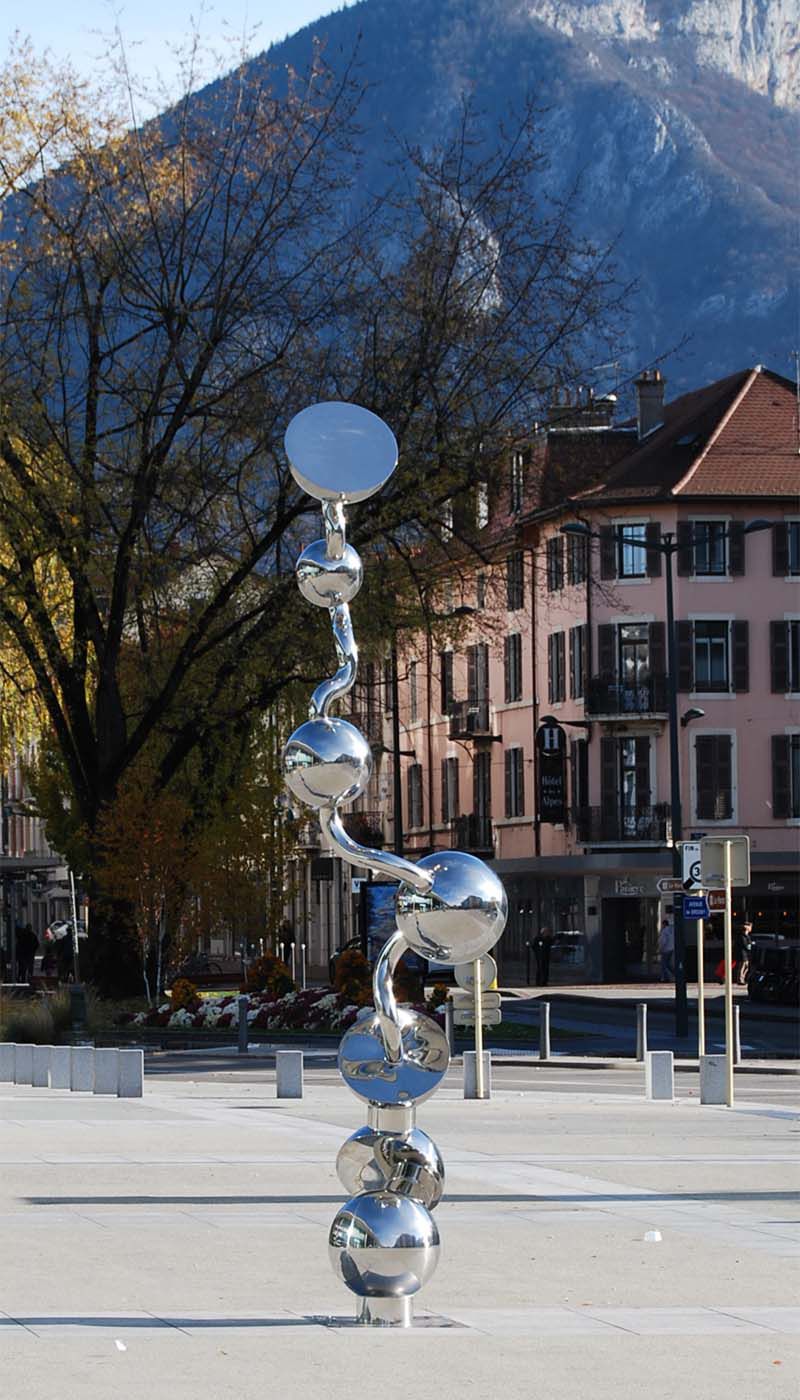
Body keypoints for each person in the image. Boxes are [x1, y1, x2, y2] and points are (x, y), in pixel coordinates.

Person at [658, 916, 675, 982]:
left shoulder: (664, 931)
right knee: (667, 964)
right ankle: (674, 973)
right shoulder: (672, 930)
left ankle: (664, 978)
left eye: (662, 924)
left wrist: (660, 948)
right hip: (671, 949)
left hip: (665, 950)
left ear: (664, 924)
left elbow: (663, 941)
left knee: (664, 965)